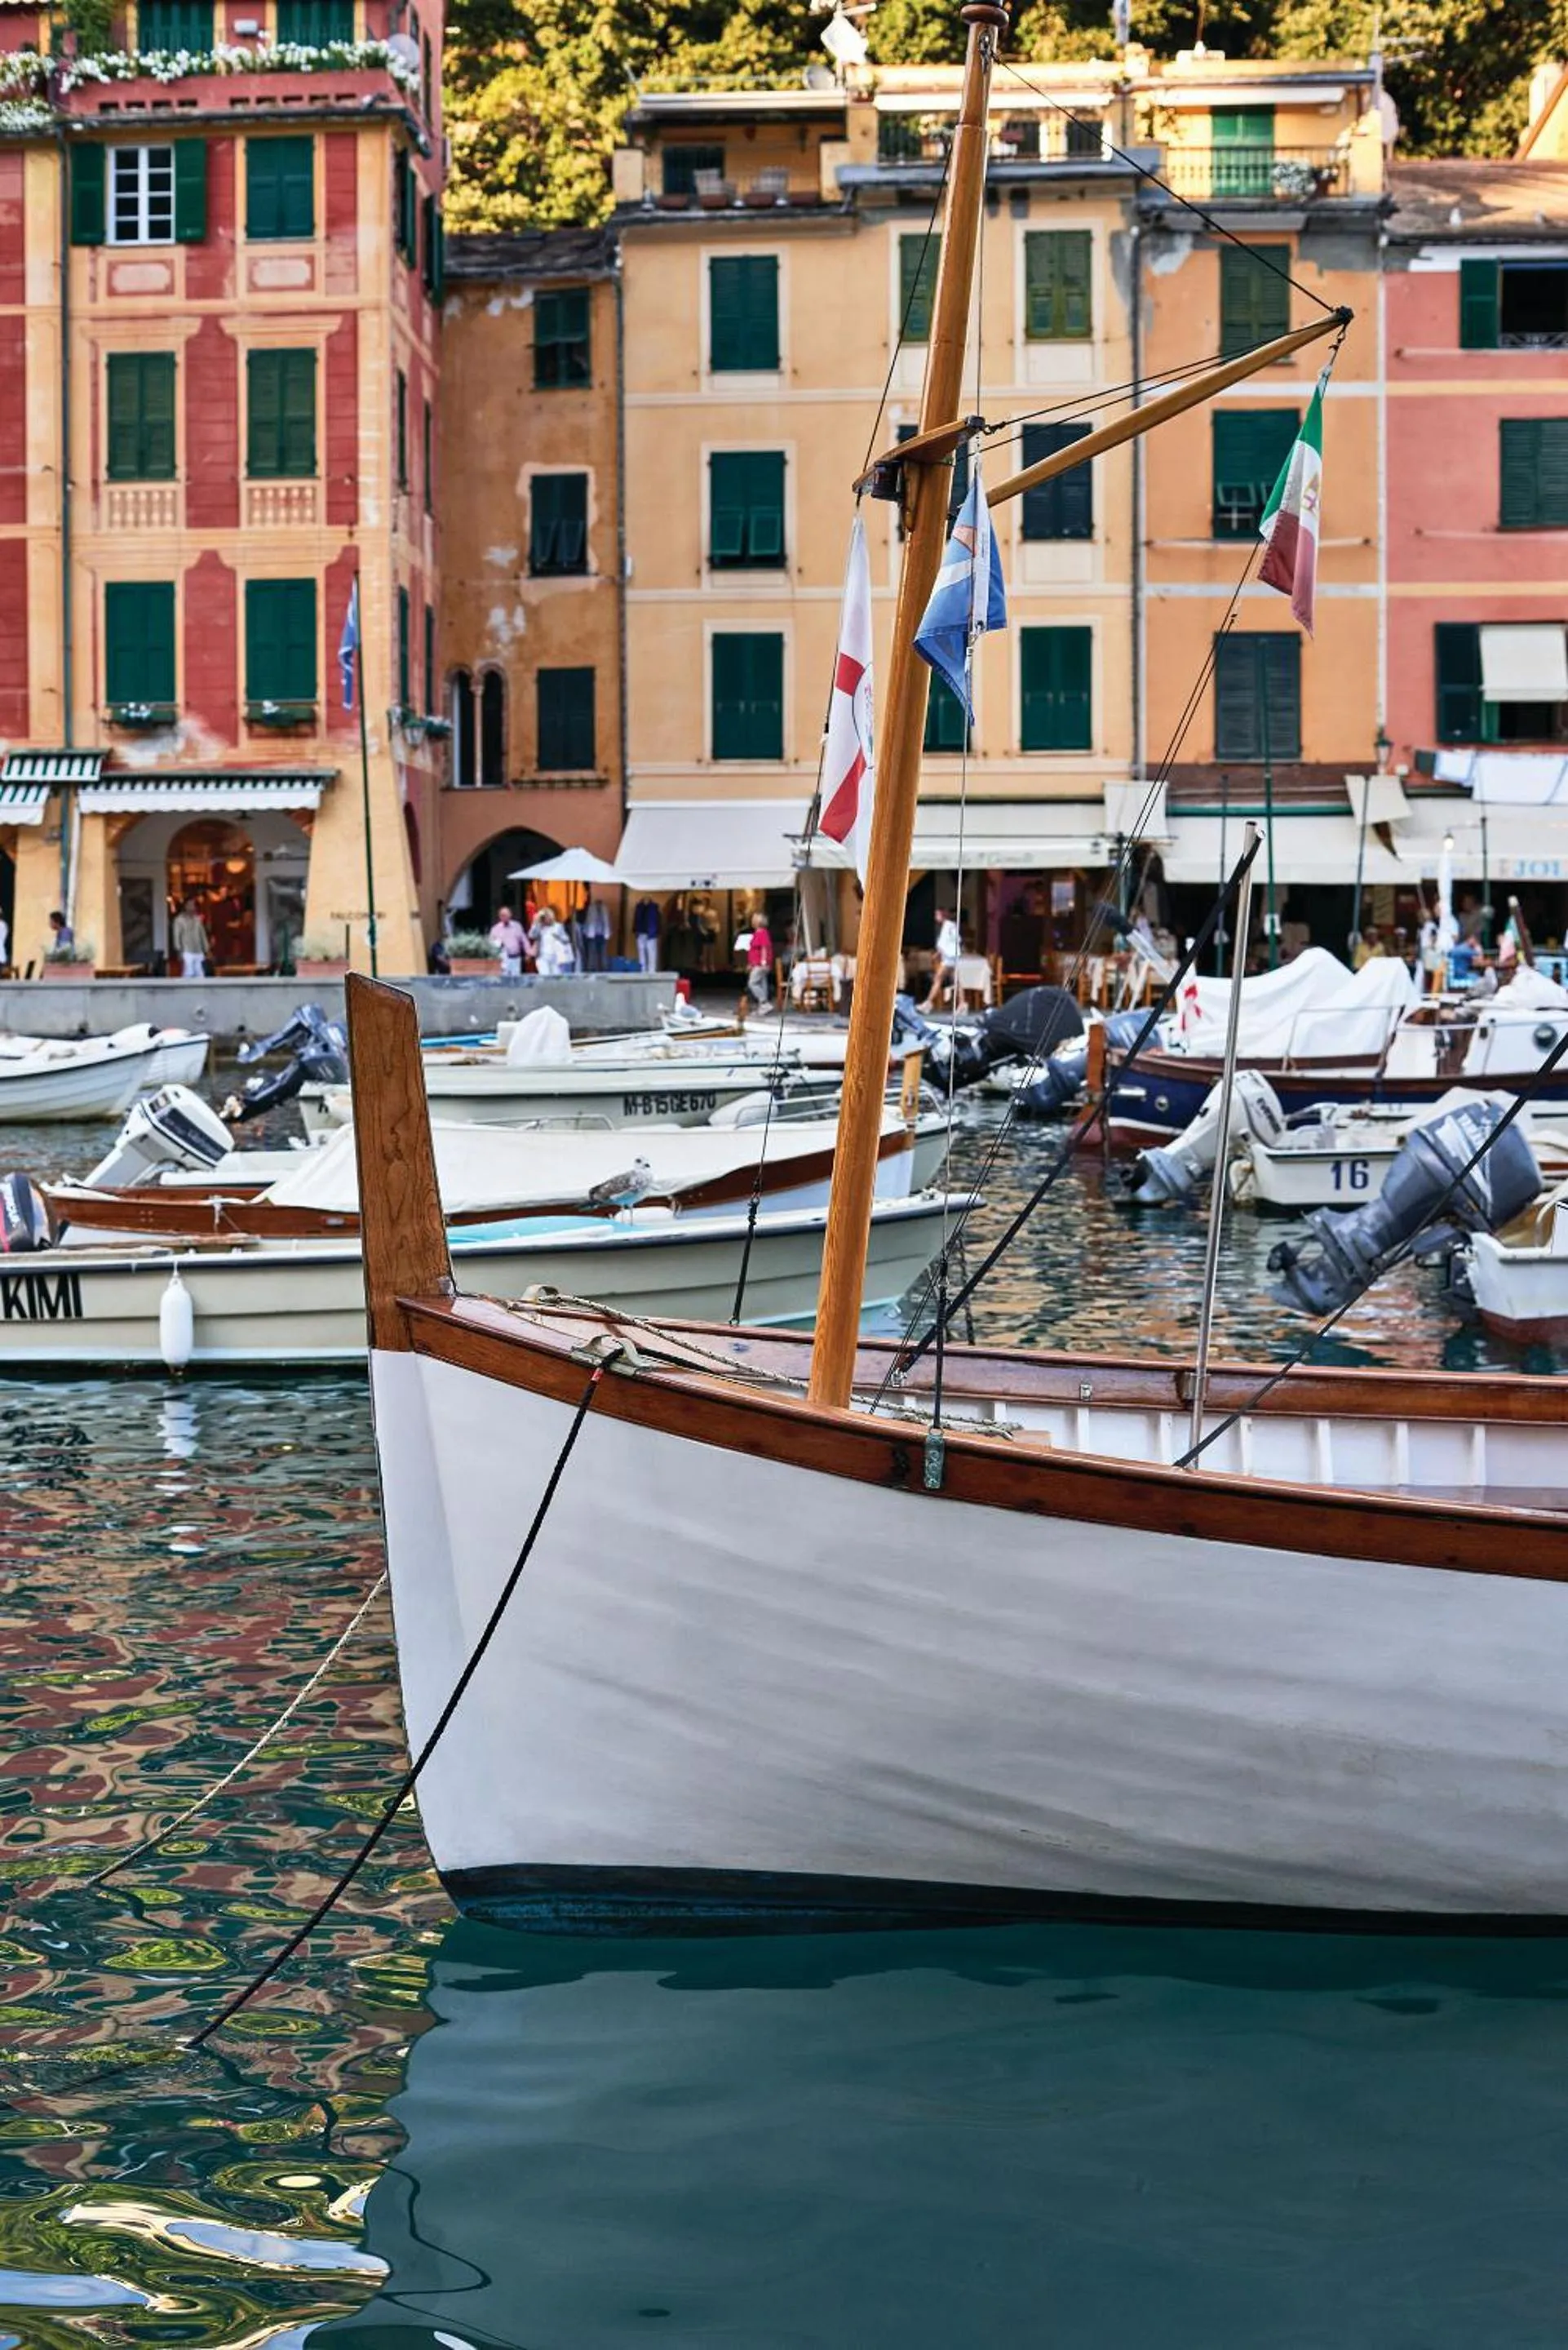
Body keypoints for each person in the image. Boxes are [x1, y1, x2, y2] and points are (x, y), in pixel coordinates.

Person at [924, 907, 961, 1010]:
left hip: (950, 957)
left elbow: (954, 939)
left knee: (938, 978)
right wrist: (938, 953)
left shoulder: (949, 926)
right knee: (956, 981)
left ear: (942, 915)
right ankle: (963, 1004)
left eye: (937, 915)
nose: (936, 917)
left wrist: (940, 952)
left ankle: (928, 1003)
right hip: (950, 957)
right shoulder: (947, 926)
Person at [739, 909, 773, 1019]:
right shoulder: (757, 933)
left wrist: (763, 961)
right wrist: (751, 964)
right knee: (762, 984)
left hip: (760, 964)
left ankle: (764, 1003)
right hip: (757, 963)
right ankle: (763, 1007)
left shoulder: (762, 933)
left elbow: (764, 948)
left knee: (753, 983)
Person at [172, 896, 210, 979]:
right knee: (188, 972)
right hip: (186, 950)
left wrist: (206, 948)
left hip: (198, 950)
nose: (192, 907)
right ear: (185, 906)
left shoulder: (198, 919)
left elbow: (202, 934)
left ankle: (200, 991)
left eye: (193, 905)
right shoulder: (179, 920)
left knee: (200, 973)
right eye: (190, 905)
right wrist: (178, 949)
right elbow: (177, 935)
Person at [534, 906, 576, 977]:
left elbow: (566, 940)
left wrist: (559, 937)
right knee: (545, 976)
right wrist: (536, 923)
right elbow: (533, 935)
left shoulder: (558, 927)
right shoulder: (539, 927)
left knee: (557, 977)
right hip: (544, 956)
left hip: (557, 957)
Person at [489, 903, 527, 978]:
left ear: (510, 915)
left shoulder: (517, 926)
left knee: (516, 979)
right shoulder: (495, 929)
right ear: (499, 916)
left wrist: (528, 952)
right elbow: (490, 943)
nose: (504, 917)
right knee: (505, 979)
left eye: (506, 915)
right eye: (502, 915)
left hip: (516, 958)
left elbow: (523, 940)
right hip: (503, 959)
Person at [580, 892, 611, 973]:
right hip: (592, 934)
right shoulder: (591, 908)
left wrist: (608, 933)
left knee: (603, 953)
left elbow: (607, 921)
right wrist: (587, 932)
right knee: (592, 952)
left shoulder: (605, 908)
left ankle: (604, 968)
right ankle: (591, 968)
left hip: (602, 934)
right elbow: (589, 921)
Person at [633, 896, 660, 975]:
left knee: (651, 952)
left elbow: (657, 920)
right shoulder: (639, 907)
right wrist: (635, 930)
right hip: (641, 932)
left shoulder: (654, 908)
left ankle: (652, 969)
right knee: (641, 951)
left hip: (651, 933)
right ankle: (643, 968)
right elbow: (636, 920)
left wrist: (656, 931)